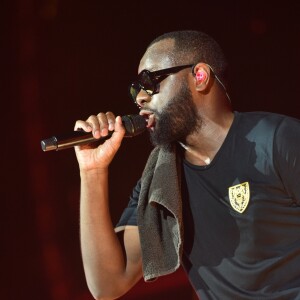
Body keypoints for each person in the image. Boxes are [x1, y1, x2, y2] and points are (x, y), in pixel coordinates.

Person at [74, 30, 300, 300]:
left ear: (200, 76)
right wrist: (92, 172)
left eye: (150, 81)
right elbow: (107, 284)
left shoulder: (276, 140)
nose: (140, 98)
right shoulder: (160, 183)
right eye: (136, 90)